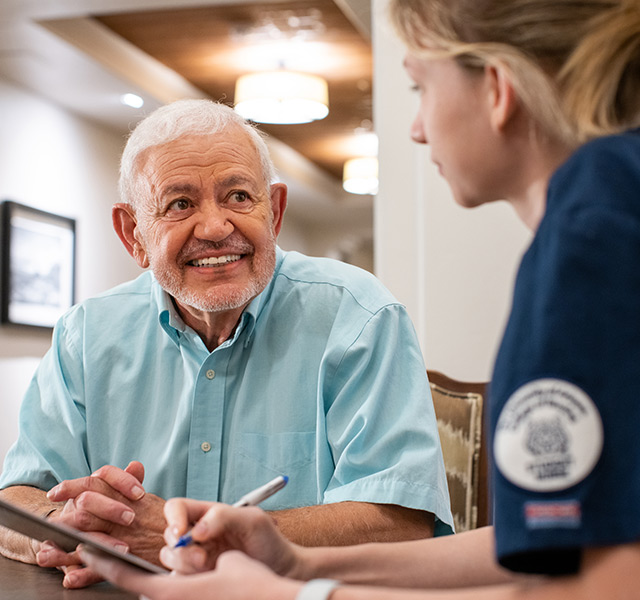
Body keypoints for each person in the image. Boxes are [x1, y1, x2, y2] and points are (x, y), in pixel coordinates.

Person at [76, 0, 640, 598]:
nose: (417, 128)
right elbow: (555, 544)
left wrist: (280, 595)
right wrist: (296, 564)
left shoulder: (594, 233)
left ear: (497, 90)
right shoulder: (603, 203)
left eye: (419, 87)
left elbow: (599, 584)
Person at [0, 99, 455, 588]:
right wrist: (70, 531)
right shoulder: (85, 334)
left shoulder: (360, 317)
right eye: (180, 204)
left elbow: (403, 523)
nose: (216, 228)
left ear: (275, 211)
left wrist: (197, 539)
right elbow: (16, 501)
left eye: (238, 196)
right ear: (134, 234)